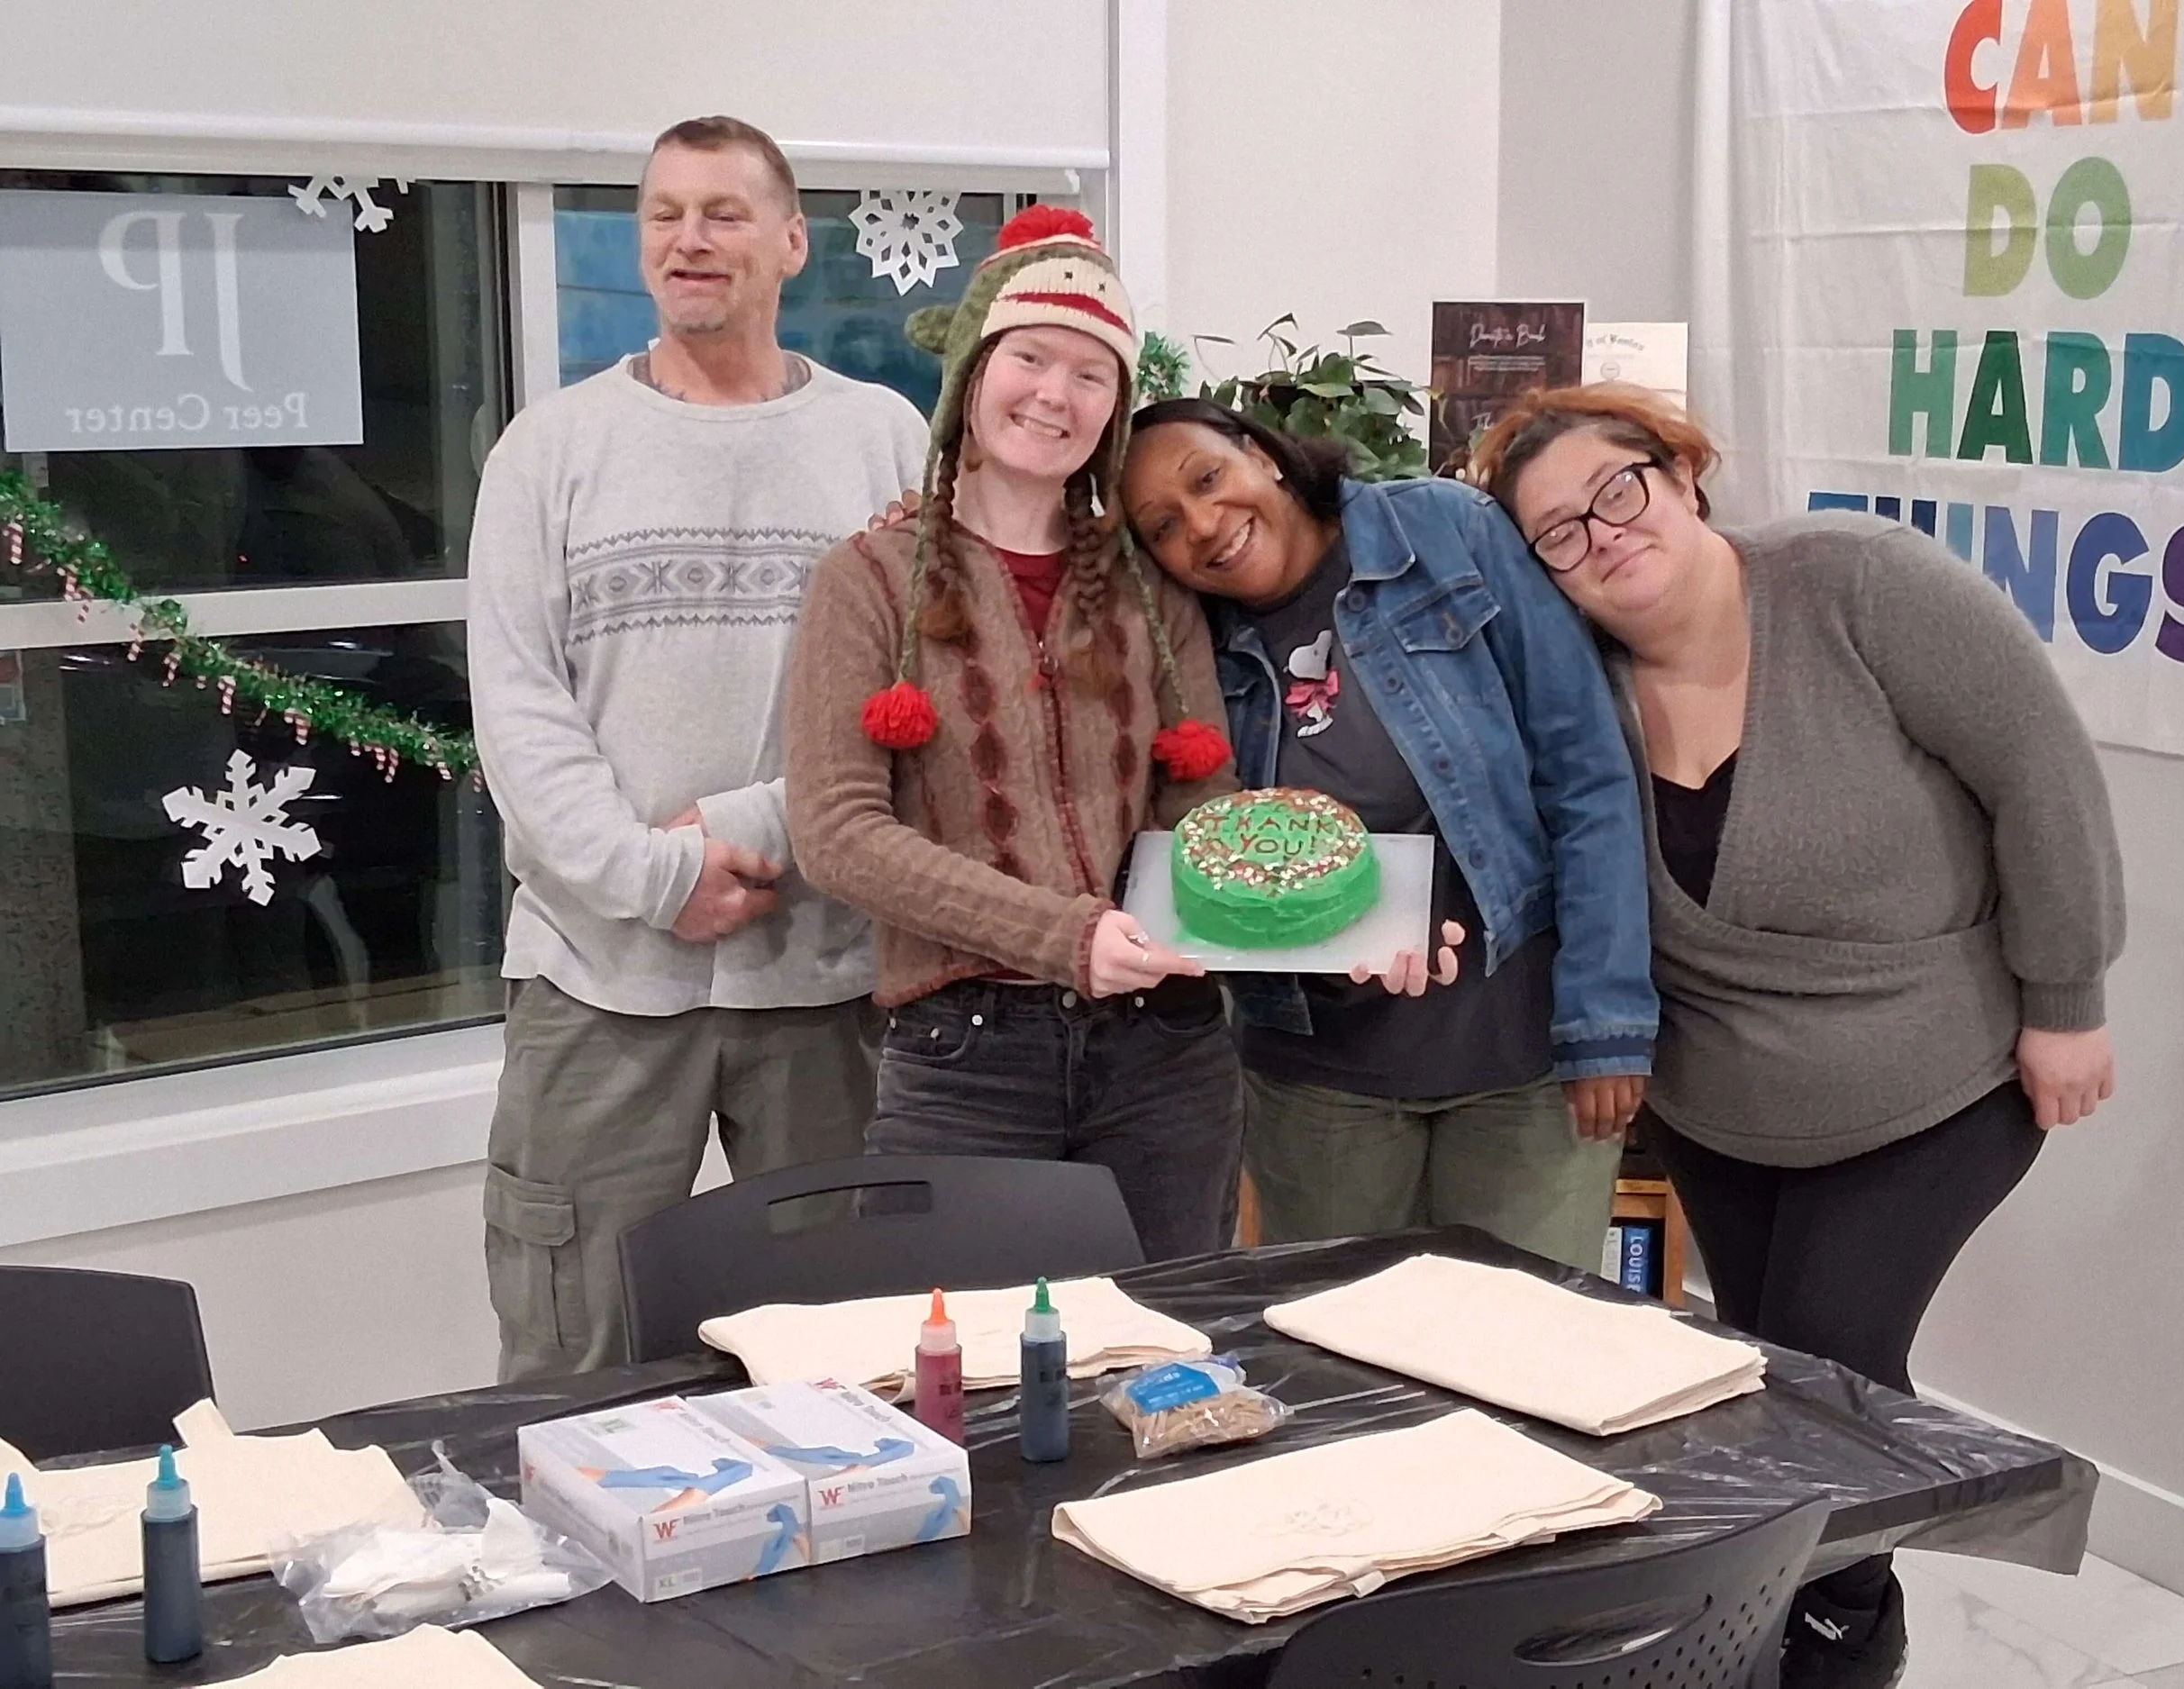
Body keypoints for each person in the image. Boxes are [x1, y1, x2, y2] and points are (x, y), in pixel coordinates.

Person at [1474, 383, 2125, 1688]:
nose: (1602, 532)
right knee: (1761, 1385)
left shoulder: (1859, 585)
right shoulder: (1579, 693)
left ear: (1683, 472)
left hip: (1936, 1078)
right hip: (1724, 1108)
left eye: (1620, 487)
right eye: (1557, 531)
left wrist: (2067, 1001)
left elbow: (2042, 773)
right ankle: (1774, 1625)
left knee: (1831, 1375)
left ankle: (1836, 1635)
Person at [467, 116, 927, 1380]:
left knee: (849, 1354)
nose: (690, 239)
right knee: (574, 1356)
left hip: (824, 977)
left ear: (791, 243)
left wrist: (755, 830)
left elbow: (912, 695)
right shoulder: (547, 451)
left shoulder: (884, 440)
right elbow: (517, 712)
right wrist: (658, 877)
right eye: (665, 213)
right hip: (597, 981)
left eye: (724, 213)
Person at [783, 207, 1252, 1261]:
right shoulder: (864, 583)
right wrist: (1064, 936)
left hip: (1166, 1055)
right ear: (970, 375)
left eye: (1092, 374)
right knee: (965, 1383)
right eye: (1029, 357)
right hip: (966, 1061)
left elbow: (1198, 803)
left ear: (1117, 409)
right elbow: (836, 831)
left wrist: (1325, 927)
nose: (1054, 394)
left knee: (1171, 1358)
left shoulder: (1147, 583)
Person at [1120, 399, 1658, 1273]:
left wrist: (1606, 1019)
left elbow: (1586, 770)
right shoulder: (1181, 640)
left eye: (1208, 479)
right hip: (1319, 1084)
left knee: (1521, 1362)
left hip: (1520, 1059)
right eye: (1163, 527)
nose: (1205, 526)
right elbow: (1202, 852)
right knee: (1343, 1375)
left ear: (1261, 453)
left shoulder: (1443, 532)